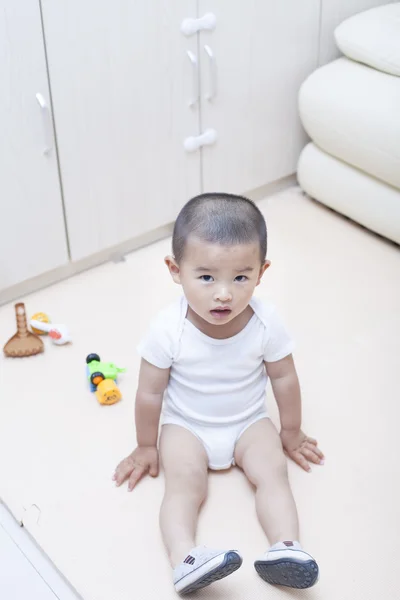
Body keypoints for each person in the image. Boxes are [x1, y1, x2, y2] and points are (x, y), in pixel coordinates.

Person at [113, 192, 324, 595]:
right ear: (175, 270)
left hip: (247, 421)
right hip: (186, 425)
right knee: (184, 485)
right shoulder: (167, 329)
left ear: (261, 272)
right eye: (206, 277)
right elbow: (150, 394)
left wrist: (291, 431)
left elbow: (284, 378)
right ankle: (185, 558)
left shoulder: (266, 322)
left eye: (240, 277)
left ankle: (286, 548)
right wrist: (144, 445)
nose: (224, 294)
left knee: (274, 473)